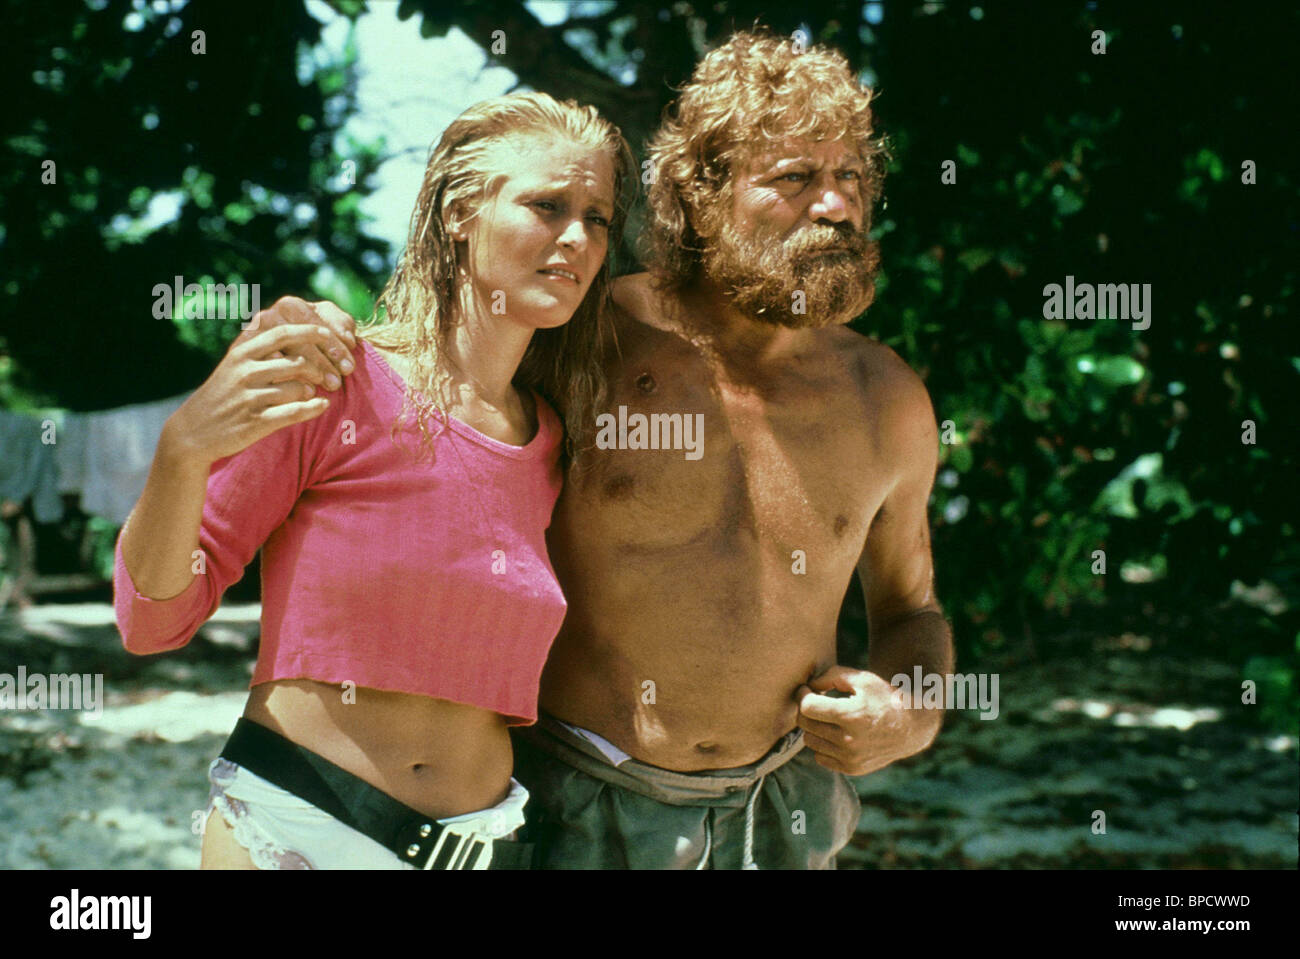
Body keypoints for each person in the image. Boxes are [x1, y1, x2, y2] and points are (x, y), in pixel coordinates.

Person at [258, 29, 955, 869]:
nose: (835, 205)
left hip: (782, 810)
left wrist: (907, 711)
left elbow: (911, 608)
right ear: (700, 192)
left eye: (850, 177)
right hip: (568, 799)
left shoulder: (888, 399)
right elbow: (427, 390)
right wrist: (328, 339)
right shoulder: (583, 343)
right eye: (794, 178)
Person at [113, 91, 633, 869]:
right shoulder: (334, 380)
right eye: (546, 204)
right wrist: (182, 451)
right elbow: (150, 621)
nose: (576, 238)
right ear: (461, 213)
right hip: (296, 827)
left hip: (474, 850)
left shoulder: (558, 442)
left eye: (597, 217)